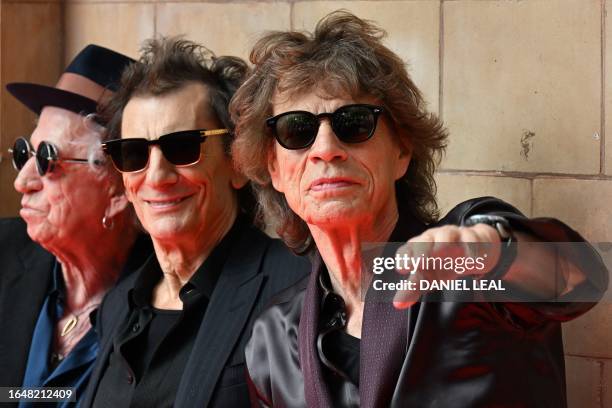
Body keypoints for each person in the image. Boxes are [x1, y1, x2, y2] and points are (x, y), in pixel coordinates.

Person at [230, 11, 608, 407]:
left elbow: (578, 277)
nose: (325, 149)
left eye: (354, 123)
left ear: (402, 151)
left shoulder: (470, 264)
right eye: (297, 130)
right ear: (273, 168)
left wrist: (494, 256)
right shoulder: (271, 339)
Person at [81, 38, 310, 408]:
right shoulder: (117, 305)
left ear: (237, 162)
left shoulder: (296, 287)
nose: (156, 176)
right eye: (134, 153)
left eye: (183, 146)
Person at [0, 44, 149, 406]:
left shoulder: (161, 296)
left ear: (117, 187)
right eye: (25, 154)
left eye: (49, 160)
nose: (23, 182)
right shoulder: (3, 252)